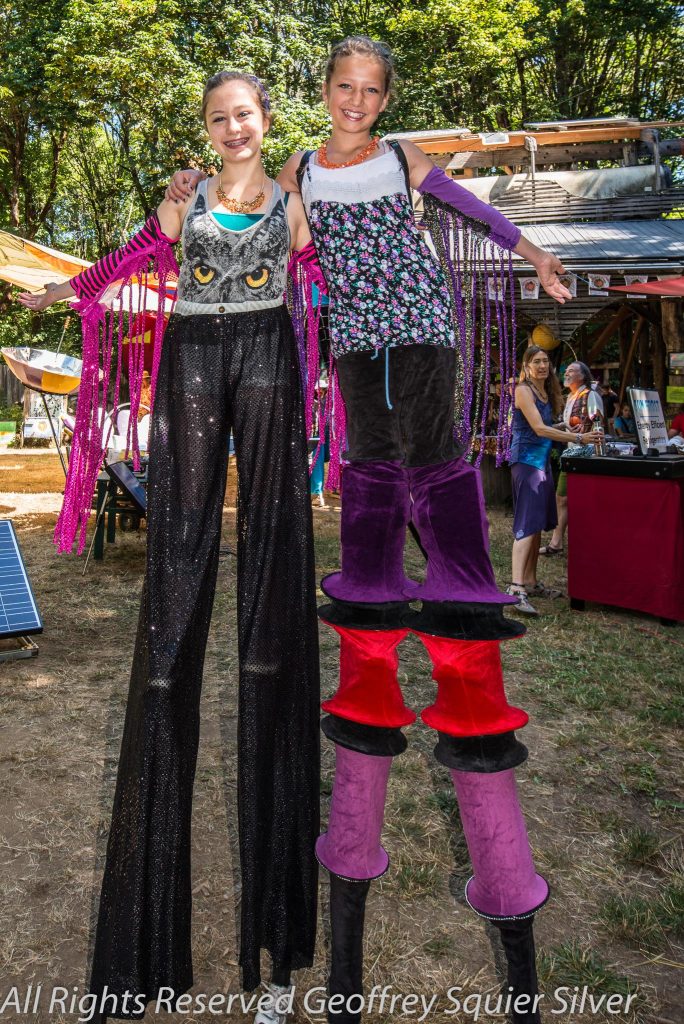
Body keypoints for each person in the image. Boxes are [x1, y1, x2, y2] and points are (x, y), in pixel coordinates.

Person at [169, 37, 581, 1024]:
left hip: (427, 351)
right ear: (322, 97)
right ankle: (342, 965)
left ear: (385, 100)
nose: (355, 102)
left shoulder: (402, 161)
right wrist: (198, 186)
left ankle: (460, 597)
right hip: (357, 370)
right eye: (341, 89)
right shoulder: (305, 173)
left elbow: (473, 211)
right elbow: (261, 221)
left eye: (370, 92)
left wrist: (529, 249)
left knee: (445, 526)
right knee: (367, 534)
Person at [18, 72, 320, 1024]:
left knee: (272, 636)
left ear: (267, 125)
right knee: (166, 646)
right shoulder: (179, 203)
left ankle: (273, 960)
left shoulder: (298, 205)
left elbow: (350, 275)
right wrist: (67, 293)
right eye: (220, 117)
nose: (234, 128)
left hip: (271, 360)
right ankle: (139, 949)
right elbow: (117, 268)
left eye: (247, 115)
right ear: (207, 128)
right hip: (190, 364)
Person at [508, 347, 600, 615]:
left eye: (545, 361)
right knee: (526, 523)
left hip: (542, 463)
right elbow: (537, 429)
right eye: (536, 362)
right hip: (526, 463)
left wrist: (563, 428)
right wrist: (579, 438)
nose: (542, 366)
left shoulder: (545, 392)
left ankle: (531, 582)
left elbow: (542, 427)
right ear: (526, 366)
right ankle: (516, 588)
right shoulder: (523, 390)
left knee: (536, 523)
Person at [540, 361, 604, 557]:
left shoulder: (590, 395)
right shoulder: (571, 397)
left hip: (585, 456)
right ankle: (558, 542)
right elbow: (569, 425)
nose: (566, 374)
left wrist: (597, 453)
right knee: (564, 498)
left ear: (582, 376)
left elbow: (598, 423)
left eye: (571, 371)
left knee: (565, 498)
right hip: (572, 454)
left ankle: (563, 542)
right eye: (565, 371)